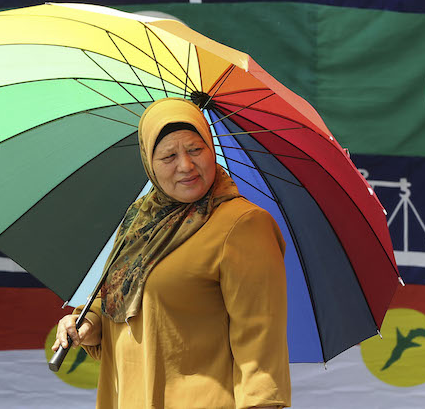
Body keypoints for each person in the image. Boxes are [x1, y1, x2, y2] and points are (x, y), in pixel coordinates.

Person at [52, 97, 291, 408]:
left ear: (211, 148)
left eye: (195, 149)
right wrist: (88, 324)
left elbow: (260, 341)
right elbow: (120, 298)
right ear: (148, 163)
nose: (186, 166)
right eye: (168, 156)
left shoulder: (243, 225)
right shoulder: (141, 220)